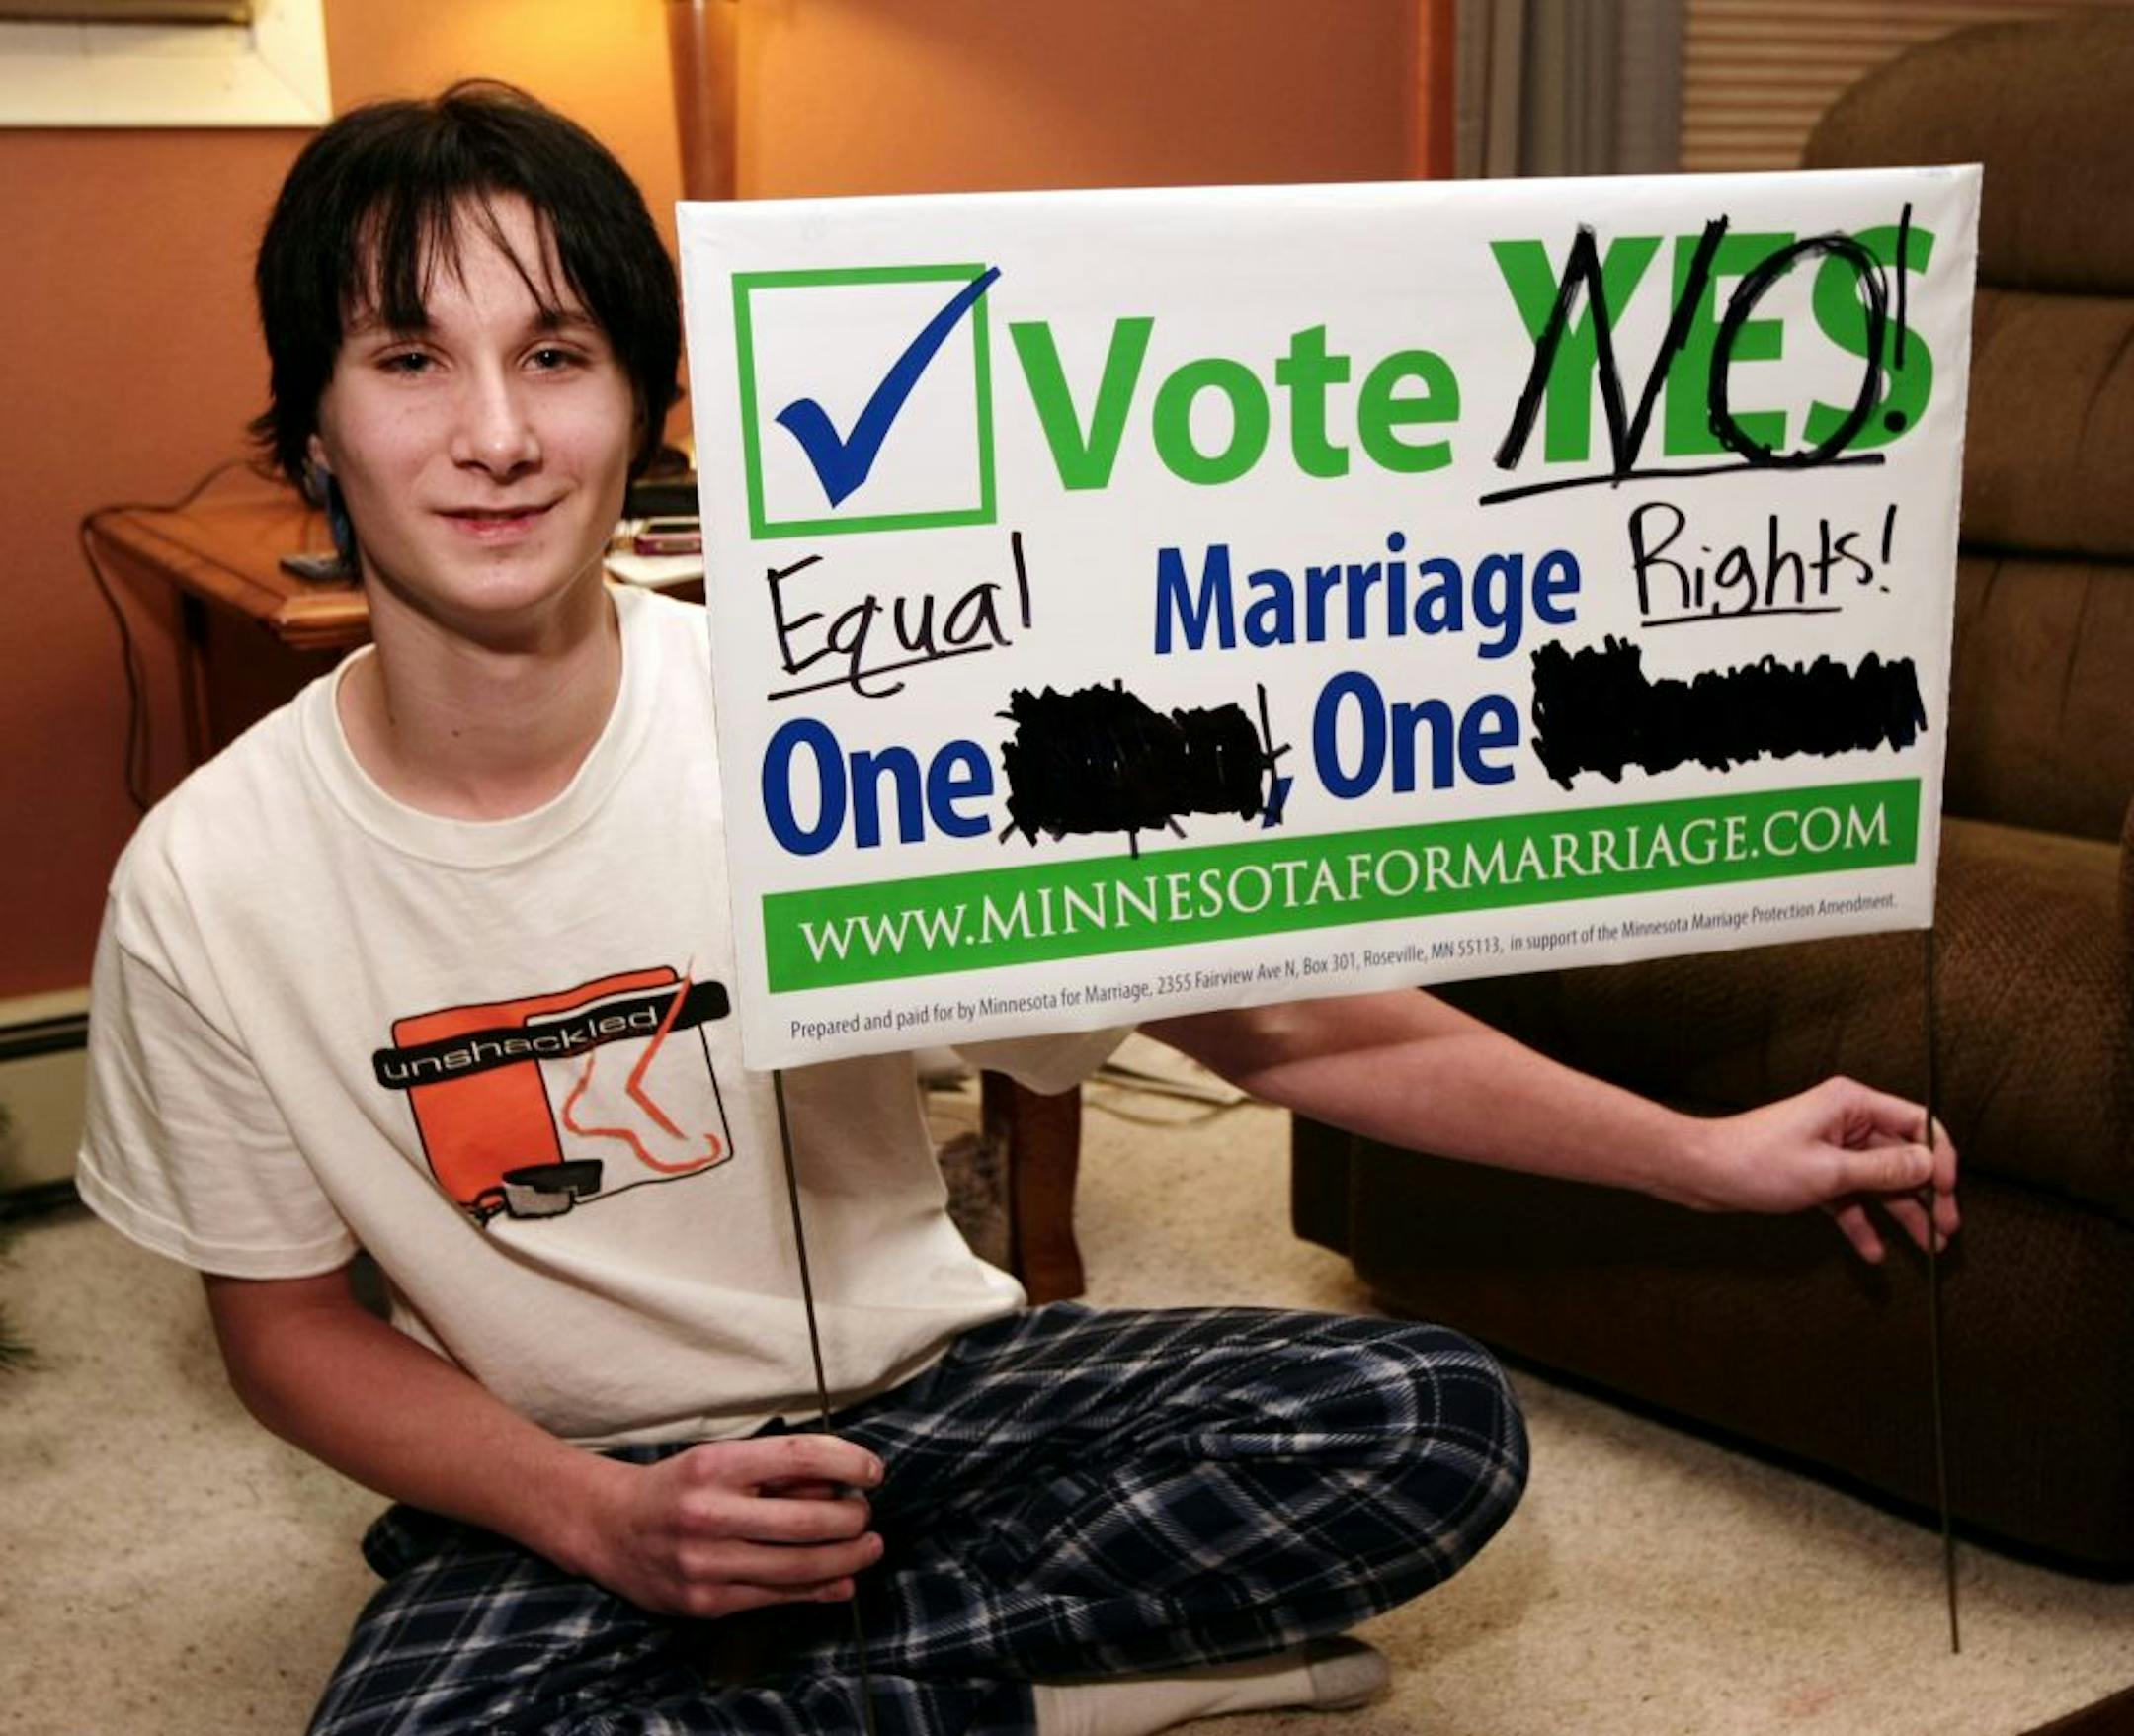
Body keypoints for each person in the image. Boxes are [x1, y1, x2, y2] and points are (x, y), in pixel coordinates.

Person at [76, 81, 1959, 1736]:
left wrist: (1710, 1156)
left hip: (951, 1408)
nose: (495, 432)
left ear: (645, 403)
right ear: (311, 429)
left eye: (556, 353)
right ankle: (1034, 1687)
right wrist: (602, 1523)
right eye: (411, 359)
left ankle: (836, 1689)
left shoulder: (846, 707)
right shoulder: (209, 876)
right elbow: (290, 1329)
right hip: (565, 1480)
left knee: (1427, 1417)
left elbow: (1278, 1020)